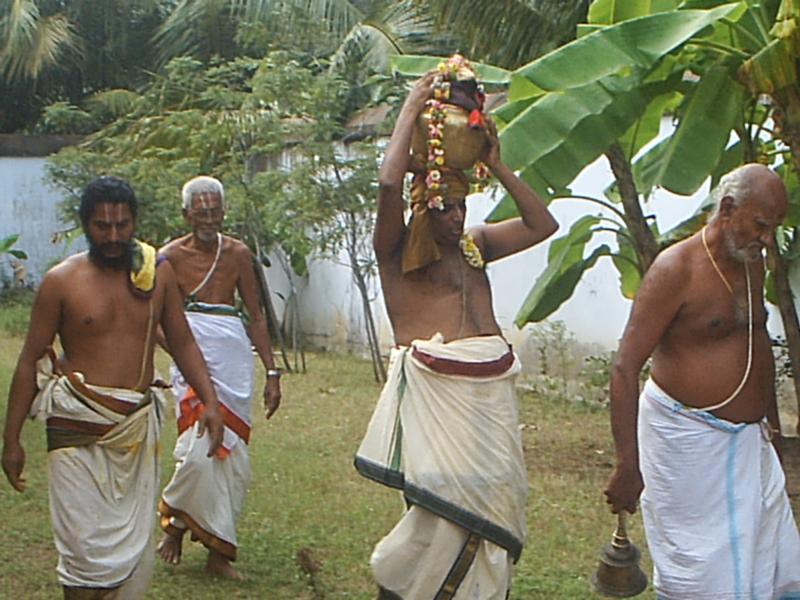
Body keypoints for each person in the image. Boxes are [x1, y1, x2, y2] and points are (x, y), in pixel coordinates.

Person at [354, 68, 558, 600]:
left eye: (463, 205)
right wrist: (409, 109)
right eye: (445, 206)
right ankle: (401, 589)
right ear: (424, 205)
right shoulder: (397, 254)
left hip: (490, 400)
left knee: (500, 497)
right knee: (439, 508)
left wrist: (496, 164)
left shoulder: (476, 245)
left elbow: (543, 225)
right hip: (439, 403)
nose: (456, 216)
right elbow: (385, 184)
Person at [1, 175, 224, 599]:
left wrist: (209, 400)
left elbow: (181, 340)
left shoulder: (157, 274)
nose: (113, 235)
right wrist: (11, 440)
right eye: (103, 226)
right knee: (82, 555)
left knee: (134, 556)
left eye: (122, 224)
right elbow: (31, 359)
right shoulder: (61, 282)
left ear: (134, 222)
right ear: (85, 224)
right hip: (76, 431)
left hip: (135, 433)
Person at [605, 163, 800, 598]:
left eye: (774, 229)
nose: (767, 240)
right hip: (687, 445)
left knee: (772, 568)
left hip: (750, 444)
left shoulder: (750, 261)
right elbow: (624, 366)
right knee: (703, 579)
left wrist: (770, 422)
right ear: (728, 209)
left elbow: (755, 338)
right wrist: (627, 465)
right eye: (761, 226)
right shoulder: (676, 269)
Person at [156, 175, 282, 579]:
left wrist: (272, 371)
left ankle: (218, 555)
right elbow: (154, 318)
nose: (208, 219)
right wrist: (176, 349)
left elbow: (256, 316)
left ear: (223, 212)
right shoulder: (168, 257)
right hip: (189, 350)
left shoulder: (239, 254)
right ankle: (175, 522)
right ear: (186, 214)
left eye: (215, 211)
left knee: (232, 456)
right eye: (201, 211)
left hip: (232, 359)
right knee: (196, 447)